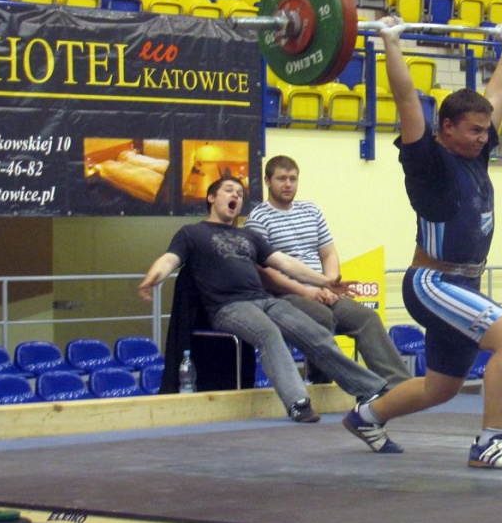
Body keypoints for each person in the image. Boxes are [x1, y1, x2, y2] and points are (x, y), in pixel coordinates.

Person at [341, 16, 502, 469]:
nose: (484, 137)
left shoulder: (477, 152)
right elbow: (406, 97)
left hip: (464, 285)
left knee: (441, 387)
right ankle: (490, 443)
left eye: (485, 130)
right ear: (446, 126)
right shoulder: (427, 161)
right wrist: (391, 43)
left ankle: (367, 417)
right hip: (432, 282)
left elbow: (497, 95)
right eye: (474, 130)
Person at [138, 176, 389, 423]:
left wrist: (325, 282)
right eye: (229, 190)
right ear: (211, 198)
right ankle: (297, 402)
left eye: (239, 193)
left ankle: (371, 388)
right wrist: (153, 277)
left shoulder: (249, 236)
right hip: (228, 307)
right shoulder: (191, 233)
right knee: (268, 334)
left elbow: (286, 263)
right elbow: (169, 259)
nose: (236, 196)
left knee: (315, 333)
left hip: (264, 300)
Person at [244, 155, 411, 389]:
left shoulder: (311, 211)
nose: (288, 184)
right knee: (321, 316)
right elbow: (265, 274)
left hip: (323, 289)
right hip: (285, 294)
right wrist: (306, 291)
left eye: (293, 178)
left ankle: (400, 386)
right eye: (281, 178)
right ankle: (324, 381)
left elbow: (329, 254)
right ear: (267, 181)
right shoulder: (257, 219)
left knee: (367, 318)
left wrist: (329, 285)